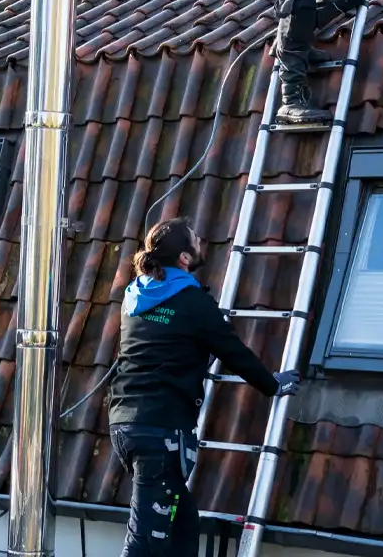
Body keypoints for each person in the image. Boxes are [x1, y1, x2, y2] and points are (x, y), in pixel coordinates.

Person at [108, 217, 301, 557]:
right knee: (144, 542)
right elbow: (233, 351)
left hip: (125, 425)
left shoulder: (133, 295)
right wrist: (273, 385)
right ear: (184, 258)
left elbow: (161, 344)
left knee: (183, 527)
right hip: (160, 432)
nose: (201, 244)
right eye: (195, 240)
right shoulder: (193, 302)